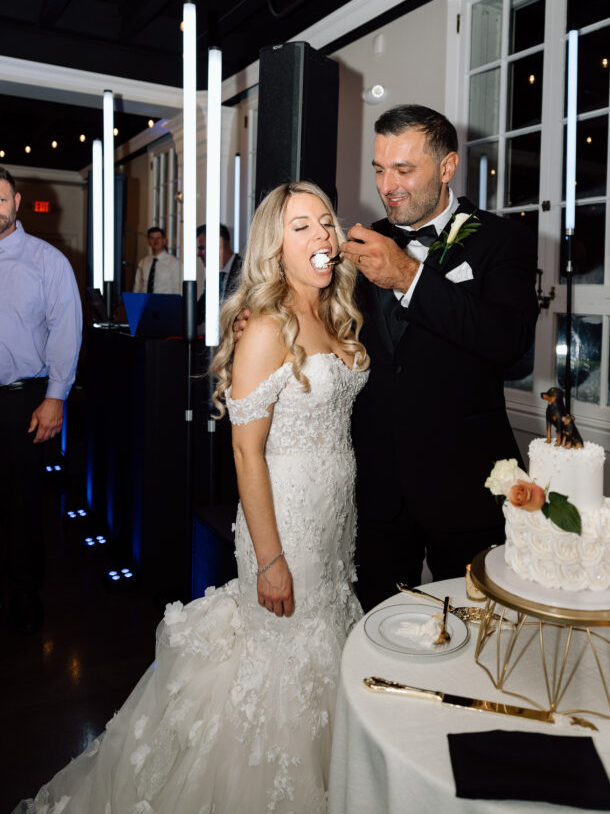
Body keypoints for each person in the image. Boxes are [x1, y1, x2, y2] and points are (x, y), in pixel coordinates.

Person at [18, 182, 369, 814]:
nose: (321, 235)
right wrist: (269, 559)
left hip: (332, 517)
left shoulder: (334, 313)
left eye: (325, 222)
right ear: (273, 247)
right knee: (280, 668)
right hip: (283, 521)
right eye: (301, 227)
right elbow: (245, 452)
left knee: (322, 650)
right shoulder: (267, 326)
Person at [339, 104, 539, 612]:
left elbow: (509, 342)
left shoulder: (503, 240)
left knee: (479, 632)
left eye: (404, 170)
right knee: (378, 630)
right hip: (378, 486)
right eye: (380, 169)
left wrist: (408, 275)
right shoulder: (365, 244)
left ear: (447, 167)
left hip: (467, 483)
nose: (389, 185)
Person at [0, 167, 82, 634]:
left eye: (1, 198)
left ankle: (24, 592)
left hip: (21, 401)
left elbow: (66, 332)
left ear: (17, 201)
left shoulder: (46, 260)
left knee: (22, 504)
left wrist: (55, 398)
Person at [132, 225, 181, 293]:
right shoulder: (142, 263)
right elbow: (137, 287)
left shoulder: (174, 263)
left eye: (158, 238)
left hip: (165, 302)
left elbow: (178, 288)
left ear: (164, 241)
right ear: (149, 242)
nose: (156, 241)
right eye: (152, 238)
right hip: (145, 302)